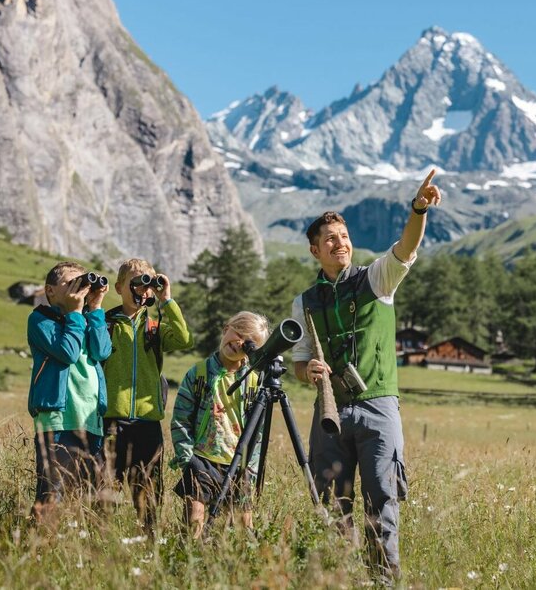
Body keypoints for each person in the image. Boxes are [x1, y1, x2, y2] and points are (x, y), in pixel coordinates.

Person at [290, 169, 442, 581]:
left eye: (343, 236)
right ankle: (342, 577)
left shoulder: (376, 279)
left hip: (378, 408)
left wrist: (418, 209)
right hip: (330, 412)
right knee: (332, 503)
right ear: (314, 250)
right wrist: (308, 371)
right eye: (330, 239)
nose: (340, 243)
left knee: (382, 501)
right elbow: (298, 361)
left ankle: (383, 582)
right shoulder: (303, 301)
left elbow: (406, 247)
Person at [102, 258, 194, 531]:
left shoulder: (153, 328)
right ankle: (100, 540)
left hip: (147, 424)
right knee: (105, 491)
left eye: (149, 284)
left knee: (149, 495)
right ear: (120, 287)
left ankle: (149, 539)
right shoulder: (105, 325)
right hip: (111, 421)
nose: (144, 289)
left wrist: (167, 300)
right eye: (137, 282)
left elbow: (183, 339)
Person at [169, 311, 270, 538]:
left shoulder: (255, 381)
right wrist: (187, 458)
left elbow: (259, 431)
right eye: (238, 333)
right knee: (194, 517)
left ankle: (239, 563)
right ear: (226, 329)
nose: (239, 343)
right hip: (202, 458)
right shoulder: (198, 373)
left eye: (248, 343)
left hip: (239, 462)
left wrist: (251, 467)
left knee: (244, 522)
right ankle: (189, 561)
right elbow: (180, 418)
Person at [27, 261, 111, 521]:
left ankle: (78, 550)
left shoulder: (86, 320)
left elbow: (102, 351)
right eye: (71, 283)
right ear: (50, 291)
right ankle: (38, 548)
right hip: (58, 421)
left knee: (90, 499)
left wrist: (95, 309)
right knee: (53, 496)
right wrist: (76, 314)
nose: (79, 288)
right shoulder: (41, 319)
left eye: (82, 282)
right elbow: (68, 353)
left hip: (91, 422)